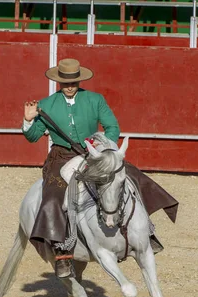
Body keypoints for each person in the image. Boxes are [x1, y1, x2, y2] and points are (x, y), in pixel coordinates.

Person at [22, 58, 178, 278]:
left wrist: (103, 148)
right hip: (61, 157)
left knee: (132, 177)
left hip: (94, 153)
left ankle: (147, 233)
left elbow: (112, 127)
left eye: (73, 82)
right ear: (59, 82)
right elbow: (33, 137)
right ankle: (62, 253)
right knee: (53, 197)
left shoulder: (95, 100)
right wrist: (28, 121)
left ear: (79, 81)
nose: (69, 86)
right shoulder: (46, 105)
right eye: (65, 81)